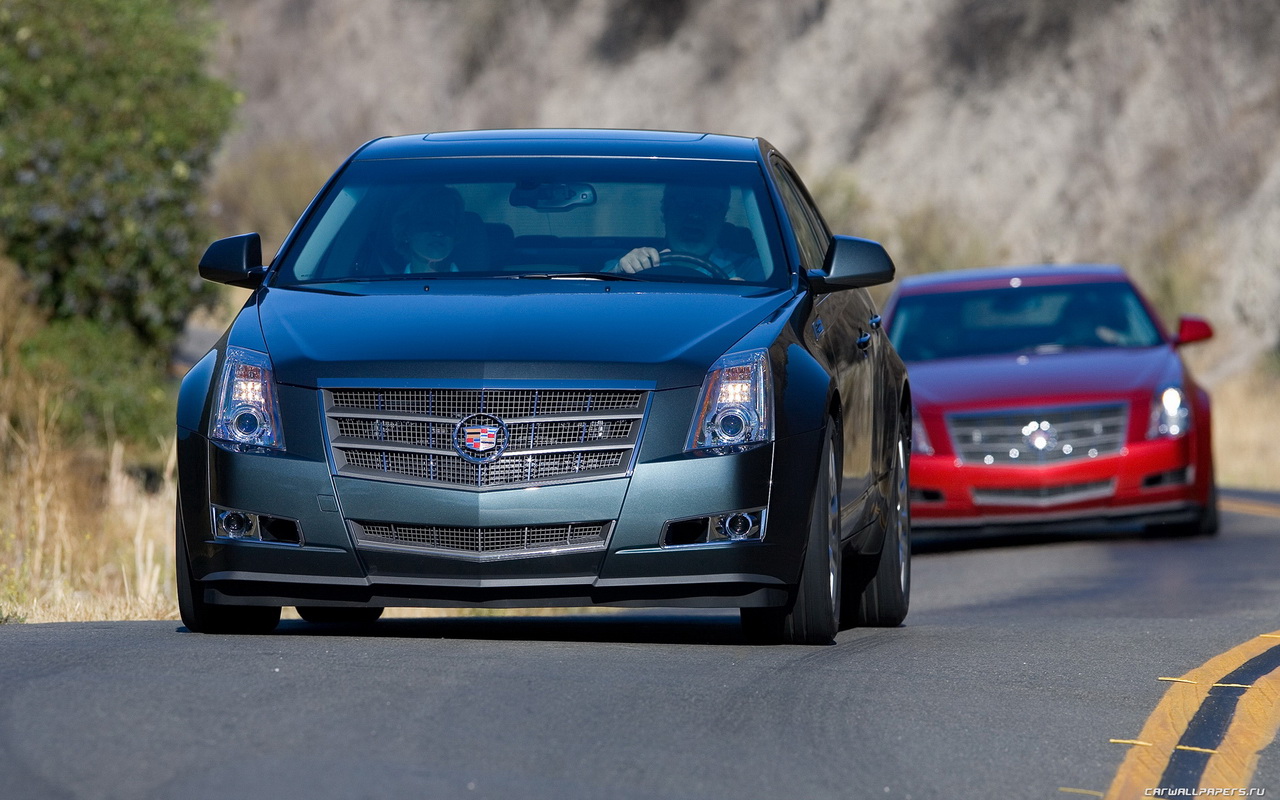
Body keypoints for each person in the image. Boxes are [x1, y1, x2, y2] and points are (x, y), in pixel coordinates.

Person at [609, 183, 760, 279]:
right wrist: (620, 270)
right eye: (684, 203)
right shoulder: (637, 260)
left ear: (722, 218)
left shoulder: (745, 268)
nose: (695, 215)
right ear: (666, 211)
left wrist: (745, 292)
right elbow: (597, 288)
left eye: (709, 206)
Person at [385, 185, 471, 273]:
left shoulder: (478, 284)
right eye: (426, 223)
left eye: (446, 223)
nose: (438, 231)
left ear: (456, 231)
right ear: (405, 231)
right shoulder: (385, 286)